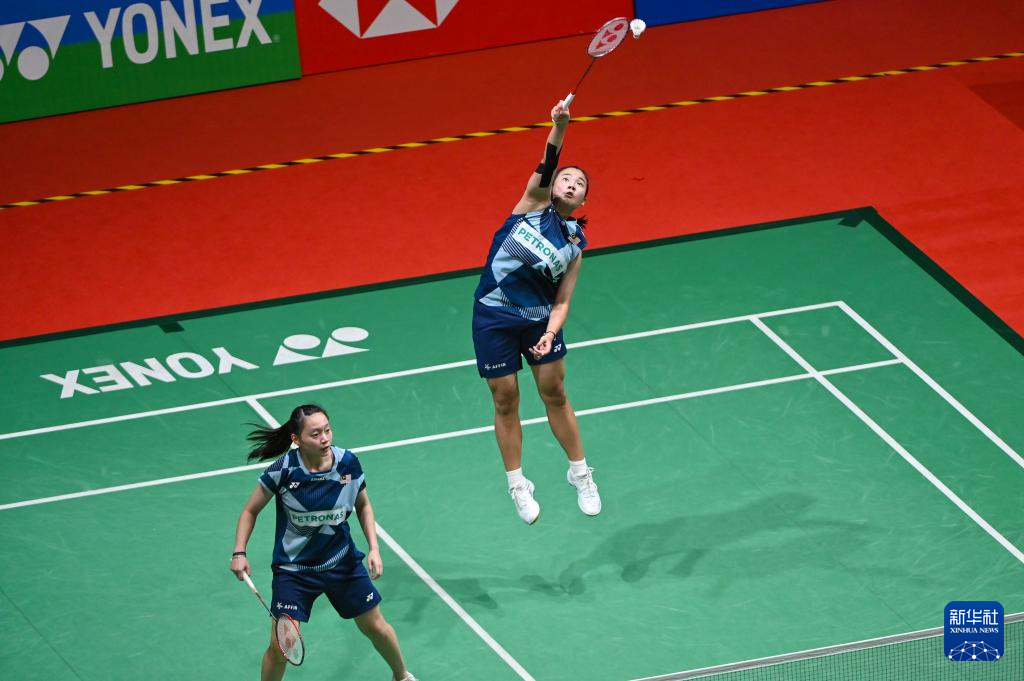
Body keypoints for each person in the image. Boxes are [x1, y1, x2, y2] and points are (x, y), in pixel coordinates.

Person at [472, 99, 601, 524]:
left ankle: (580, 473)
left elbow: (562, 301)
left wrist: (549, 332)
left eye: (579, 183)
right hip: (493, 315)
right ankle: (517, 483)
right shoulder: (531, 205)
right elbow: (547, 162)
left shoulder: (574, 246)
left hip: (539, 320)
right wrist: (560, 126)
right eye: (566, 178)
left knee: (555, 392)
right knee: (505, 398)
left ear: (583, 198)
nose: (571, 184)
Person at [229, 404, 416, 681]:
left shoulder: (347, 463)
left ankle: (402, 676)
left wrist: (374, 548)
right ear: (297, 439)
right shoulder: (284, 470)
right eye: (315, 434)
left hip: (341, 561)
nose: (325, 438)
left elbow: (363, 505)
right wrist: (239, 552)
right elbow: (249, 511)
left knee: (375, 626)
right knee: (281, 648)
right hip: (294, 571)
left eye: (327, 430)